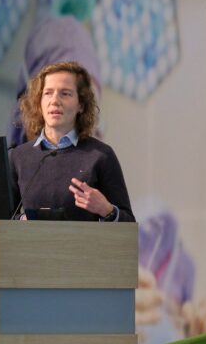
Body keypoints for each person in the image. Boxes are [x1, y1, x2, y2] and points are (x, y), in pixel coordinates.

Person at [9, 60, 134, 223]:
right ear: (39, 103)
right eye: (47, 93)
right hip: (32, 247)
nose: (54, 101)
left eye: (65, 93)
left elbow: (128, 224)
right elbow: (3, 219)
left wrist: (106, 210)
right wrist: (22, 220)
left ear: (81, 104)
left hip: (83, 247)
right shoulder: (18, 157)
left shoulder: (101, 156)